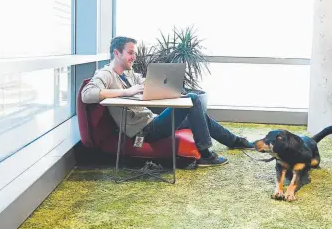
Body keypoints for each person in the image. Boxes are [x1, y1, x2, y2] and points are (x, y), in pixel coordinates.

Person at [81, 36, 254, 167]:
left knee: (197, 112)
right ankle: (204, 153)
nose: (134, 57)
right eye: (130, 53)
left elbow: (144, 84)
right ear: (116, 53)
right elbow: (87, 94)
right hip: (144, 131)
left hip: (152, 120)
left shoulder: (128, 73)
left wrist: (163, 86)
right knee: (193, 100)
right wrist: (127, 91)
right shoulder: (105, 74)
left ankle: (235, 141)